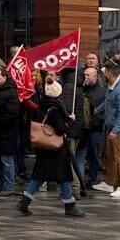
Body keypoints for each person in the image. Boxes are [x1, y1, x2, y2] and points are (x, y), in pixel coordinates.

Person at [19, 76, 81, 217]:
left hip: (43, 147)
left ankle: (24, 202)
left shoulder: (40, 107)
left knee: (39, 176)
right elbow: (60, 129)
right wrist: (70, 121)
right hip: (56, 149)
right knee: (65, 176)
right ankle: (70, 207)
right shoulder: (55, 109)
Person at [97, 65, 120, 200]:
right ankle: (110, 183)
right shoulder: (112, 87)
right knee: (110, 156)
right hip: (111, 126)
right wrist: (95, 111)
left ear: (110, 73)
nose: (103, 74)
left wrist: (116, 130)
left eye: (104, 72)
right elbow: (107, 103)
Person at [0, 65, 24, 196]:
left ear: (4, 77)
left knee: (7, 161)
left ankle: (9, 186)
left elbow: (12, 113)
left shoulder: (10, 92)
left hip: (6, 132)